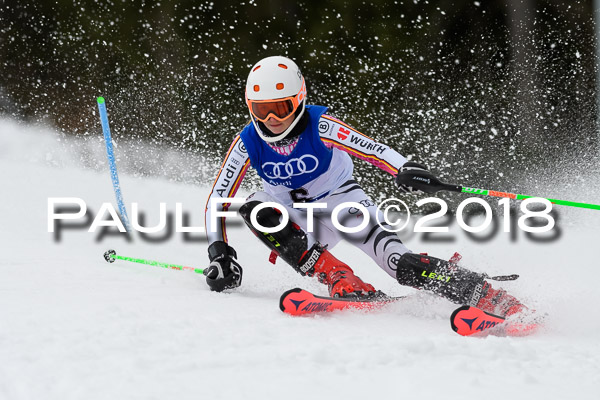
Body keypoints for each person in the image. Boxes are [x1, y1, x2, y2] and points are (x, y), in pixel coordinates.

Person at [203, 55, 524, 318]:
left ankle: (487, 295)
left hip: (346, 207)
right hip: (299, 223)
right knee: (256, 207)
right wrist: (220, 253)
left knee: (401, 264)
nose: (272, 118)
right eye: (262, 109)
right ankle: (339, 276)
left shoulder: (321, 125)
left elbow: (371, 148)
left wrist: (404, 168)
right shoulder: (247, 143)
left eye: (282, 107)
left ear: (299, 100)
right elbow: (218, 197)